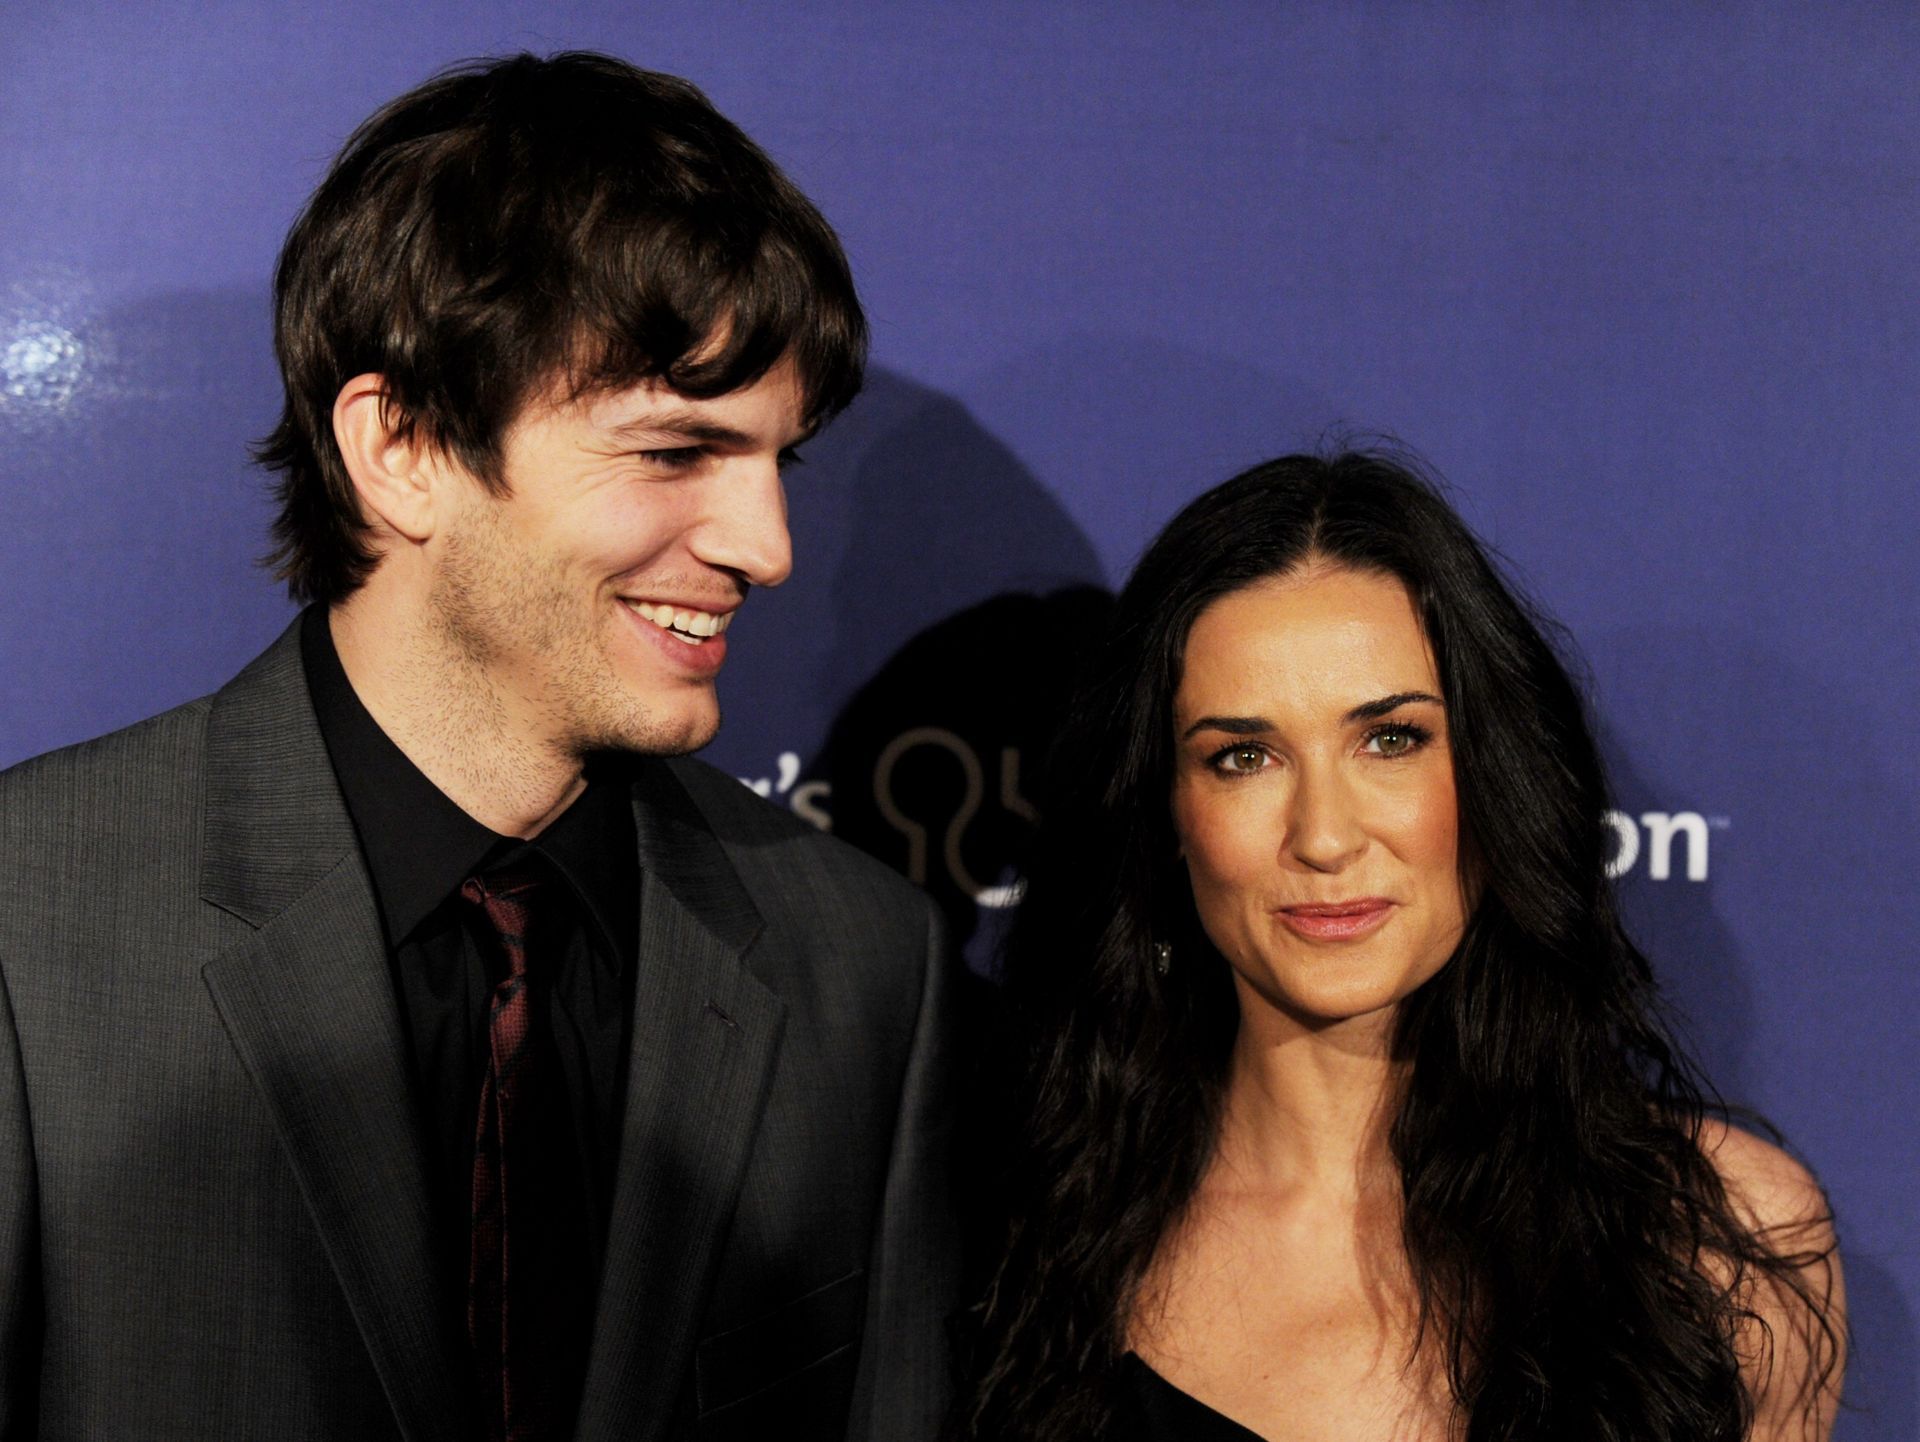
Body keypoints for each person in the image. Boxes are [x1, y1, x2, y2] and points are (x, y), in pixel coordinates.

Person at [0, 52, 956, 1441]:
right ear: (404, 449)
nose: (769, 548)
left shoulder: (863, 966)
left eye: (776, 461)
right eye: (676, 451)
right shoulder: (29, 932)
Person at [959, 452, 1844, 1440]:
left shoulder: (1723, 1238)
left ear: (1492, 770)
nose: (1326, 835)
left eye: (1389, 739)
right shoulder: (1021, 1240)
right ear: (1168, 812)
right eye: (1242, 757)